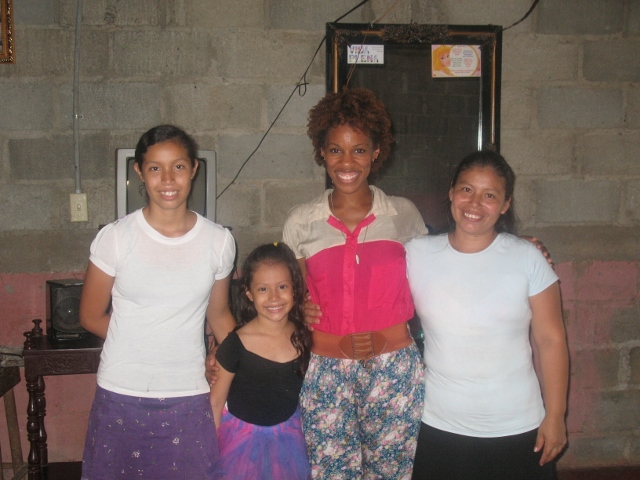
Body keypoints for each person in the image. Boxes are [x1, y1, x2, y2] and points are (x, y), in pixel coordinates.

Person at [282, 87, 428, 479]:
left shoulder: (403, 215)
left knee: (392, 474)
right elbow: (286, 293)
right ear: (322, 152)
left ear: (376, 152)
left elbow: (442, 270)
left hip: (394, 370)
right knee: (330, 473)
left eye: (359, 150)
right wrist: (297, 308)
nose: (347, 162)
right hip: (326, 371)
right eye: (336, 150)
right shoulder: (301, 221)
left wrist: (516, 246)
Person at [79, 125, 236, 480]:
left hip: (189, 393)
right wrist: (149, 343)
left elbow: (219, 314)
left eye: (178, 166)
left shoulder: (218, 242)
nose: (167, 179)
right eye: (155, 168)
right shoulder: (116, 238)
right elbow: (89, 316)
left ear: (193, 168)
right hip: (121, 392)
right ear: (139, 171)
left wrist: (238, 359)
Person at [406, 150, 569, 480]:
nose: (475, 204)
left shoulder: (527, 258)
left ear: (506, 204)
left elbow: (551, 341)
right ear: (451, 192)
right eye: (466, 189)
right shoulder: (416, 254)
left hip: (519, 426)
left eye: (490, 195)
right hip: (439, 427)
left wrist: (556, 415)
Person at [209, 242, 312, 479]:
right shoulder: (236, 343)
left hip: (289, 442)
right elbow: (215, 403)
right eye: (263, 289)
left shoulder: (304, 337)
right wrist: (211, 451)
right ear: (249, 293)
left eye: (282, 286)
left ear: (295, 288)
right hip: (240, 445)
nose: (274, 297)